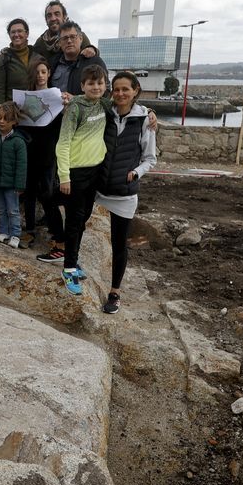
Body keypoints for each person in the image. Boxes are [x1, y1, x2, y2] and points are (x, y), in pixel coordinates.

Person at [96, 71, 156, 314]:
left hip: (124, 192)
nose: (120, 94)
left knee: (119, 243)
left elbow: (150, 158)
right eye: (116, 89)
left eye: (125, 89)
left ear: (136, 91)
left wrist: (136, 172)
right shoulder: (104, 112)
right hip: (98, 188)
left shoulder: (144, 120)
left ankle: (115, 292)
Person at [54, 63, 110, 296]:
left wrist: (151, 113)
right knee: (75, 221)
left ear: (105, 85)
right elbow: (63, 142)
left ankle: (73, 260)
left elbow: (128, 106)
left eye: (99, 83)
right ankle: (68, 268)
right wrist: (64, 176)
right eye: (91, 83)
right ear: (82, 86)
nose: (96, 87)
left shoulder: (104, 104)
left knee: (83, 218)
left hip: (95, 171)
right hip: (75, 172)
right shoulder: (76, 107)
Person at [23, 56, 59, 249]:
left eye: (43, 72)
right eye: (36, 73)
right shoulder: (25, 97)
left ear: (49, 74)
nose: (40, 76)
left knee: (47, 192)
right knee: (28, 193)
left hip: (48, 150)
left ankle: (54, 233)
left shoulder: (56, 96)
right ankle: (29, 230)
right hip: (30, 149)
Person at [0, 101, 28, 249]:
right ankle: (3, 232)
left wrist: (20, 185)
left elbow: (22, 166)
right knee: (0, 209)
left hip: (12, 184)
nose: (1, 121)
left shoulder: (18, 142)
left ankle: (15, 235)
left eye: (5, 119)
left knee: (13, 210)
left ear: (13, 121)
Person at [48, 21, 107, 100]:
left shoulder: (94, 62)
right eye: (65, 38)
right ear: (59, 43)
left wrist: (76, 101)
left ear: (81, 38)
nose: (69, 41)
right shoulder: (52, 63)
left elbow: (105, 93)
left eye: (73, 37)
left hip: (85, 112)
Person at [0, 18, 33, 103]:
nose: (16, 34)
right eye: (13, 32)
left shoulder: (35, 53)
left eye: (20, 31)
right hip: (13, 111)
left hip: (35, 108)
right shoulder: (3, 58)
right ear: (9, 35)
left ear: (27, 33)